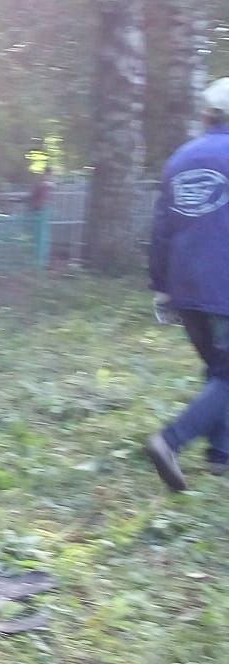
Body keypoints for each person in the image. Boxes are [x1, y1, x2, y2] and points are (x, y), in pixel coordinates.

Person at [143, 77, 229, 491]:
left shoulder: (180, 158)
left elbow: (162, 228)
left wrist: (161, 285)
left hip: (186, 285)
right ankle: (169, 440)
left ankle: (220, 456)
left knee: (220, 371)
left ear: (207, 114)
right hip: (224, 286)